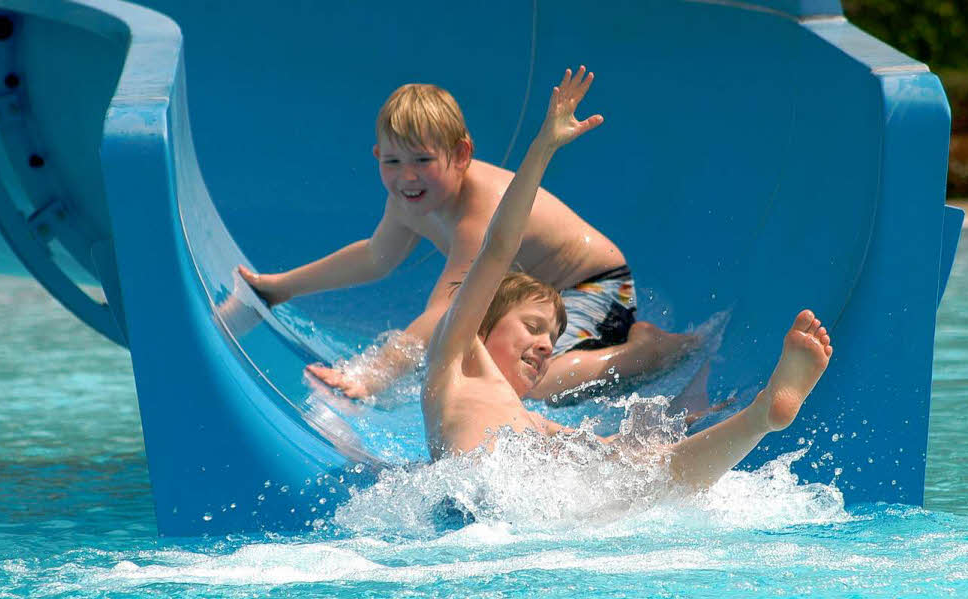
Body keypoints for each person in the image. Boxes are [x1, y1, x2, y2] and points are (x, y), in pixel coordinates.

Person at [423, 66, 832, 492]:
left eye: (552, 336)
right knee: (648, 484)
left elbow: (610, 448)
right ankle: (757, 421)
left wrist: (686, 423)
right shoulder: (453, 357)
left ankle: (759, 417)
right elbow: (499, 246)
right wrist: (543, 148)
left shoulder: (529, 422)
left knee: (648, 468)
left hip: (518, 508)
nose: (547, 345)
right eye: (532, 327)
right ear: (481, 318)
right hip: (493, 500)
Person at [238, 77, 695, 402]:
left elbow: (447, 309)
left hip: (595, 288)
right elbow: (376, 257)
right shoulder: (408, 197)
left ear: (461, 155)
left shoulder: (481, 210)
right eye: (392, 162)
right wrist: (280, 288)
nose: (407, 176)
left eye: (422, 159)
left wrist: (375, 373)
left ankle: (647, 351)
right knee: (487, 365)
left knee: (536, 384)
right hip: (531, 299)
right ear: (377, 156)